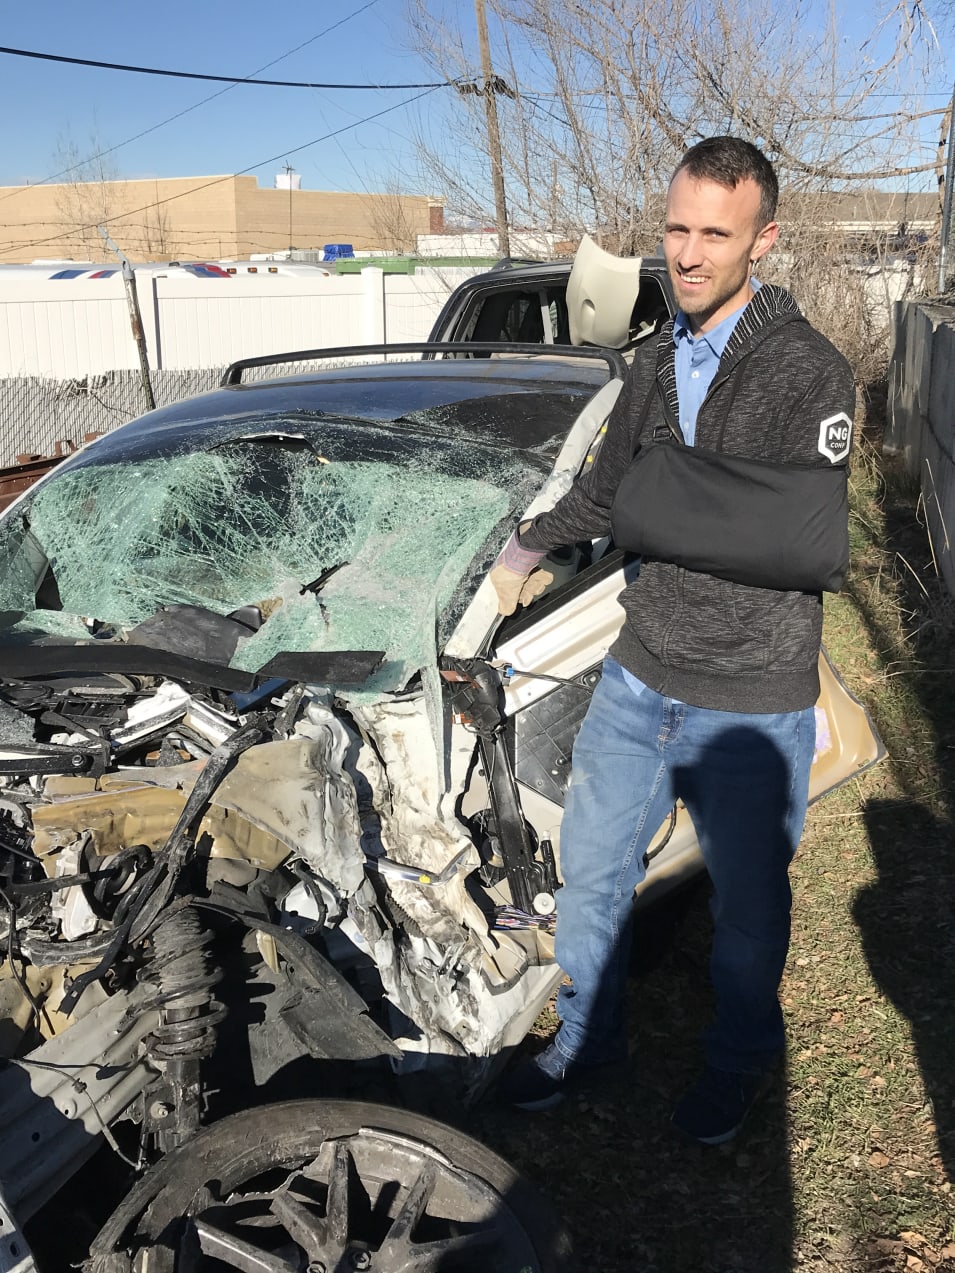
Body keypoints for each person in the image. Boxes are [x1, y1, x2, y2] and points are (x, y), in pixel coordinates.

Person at [491, 136, 855, 1145]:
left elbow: (797, 540)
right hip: (639, 675)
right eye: (676, 229)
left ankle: (736, 1066)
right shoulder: (652, 360)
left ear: (762, 240)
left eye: (714, 234)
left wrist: (659, 504)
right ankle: (583, 1044)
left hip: (747, 695)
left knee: (743, 919)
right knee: (593, 876)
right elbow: (613, 494)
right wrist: (525, 545)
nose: (688, 255)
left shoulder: (808, 372)